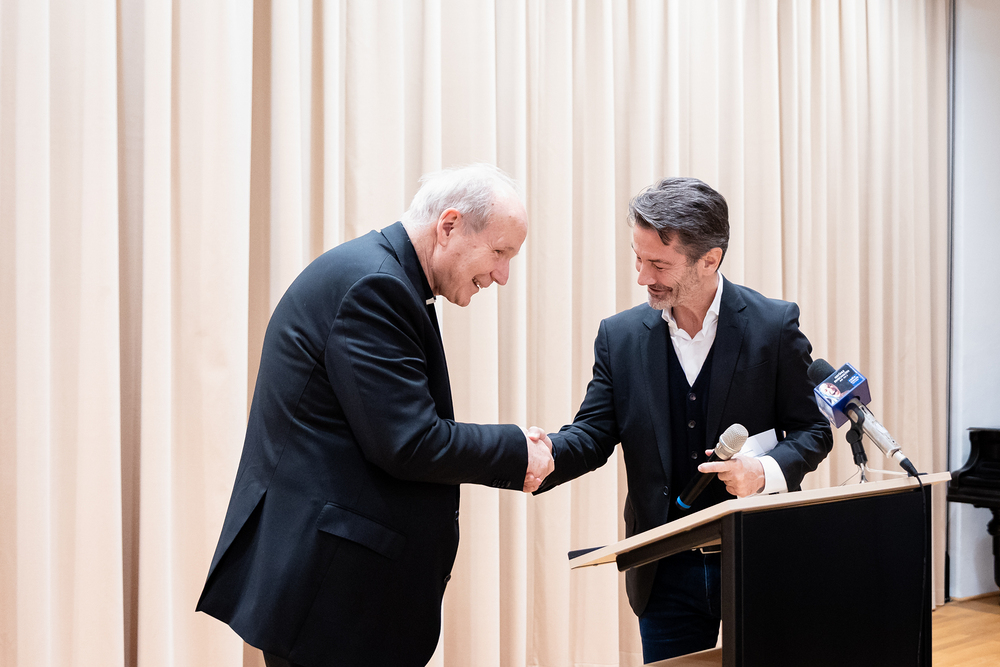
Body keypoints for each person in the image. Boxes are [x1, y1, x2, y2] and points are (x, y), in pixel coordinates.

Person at [197, 164, 554, 667]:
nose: (502, 275)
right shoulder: (375, 286)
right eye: (500, 253)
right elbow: (409, 442)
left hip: (332, 599)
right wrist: (518, 449)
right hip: (329, 606)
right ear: (449, 226)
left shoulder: (380, 274)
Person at [532, 177, 832, 662]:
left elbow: (813, 431)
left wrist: (762, 472)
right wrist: (543, 455)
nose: (642, 277)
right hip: (662, 566)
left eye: (659, 265)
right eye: (638, 259)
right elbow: (592, 434)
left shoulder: (774, 326)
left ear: (709, 260)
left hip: (759, 555)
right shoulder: (619, 337)